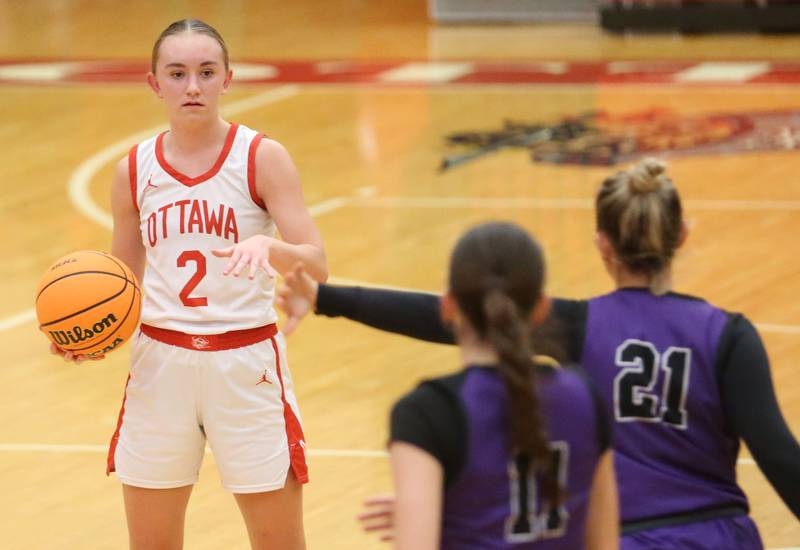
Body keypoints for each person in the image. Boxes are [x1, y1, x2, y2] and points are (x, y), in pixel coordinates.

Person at [278, 159, 800, 548]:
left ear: (602, 244)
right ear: (681, 235)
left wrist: (328, 298)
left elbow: (444, 315)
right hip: (720, 536)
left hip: (624, 537)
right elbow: (780, 457)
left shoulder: (581, 325)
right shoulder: (729, 335)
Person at [50, 19, 326, 550]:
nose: (192, 86)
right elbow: (121, 281)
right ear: (154, 83)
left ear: (228, 79)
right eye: (177, 74)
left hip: (246, 365)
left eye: (206, 72)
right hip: (160, 365)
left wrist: (271, 249)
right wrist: (89, 332)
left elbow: (317, 264)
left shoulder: (262, 158)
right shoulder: (132, 170)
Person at [361, 221, 618, 549]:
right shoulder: (586, 398)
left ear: (448, 306)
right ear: (542, 308)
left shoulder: (426, 413)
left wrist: (428, 518)